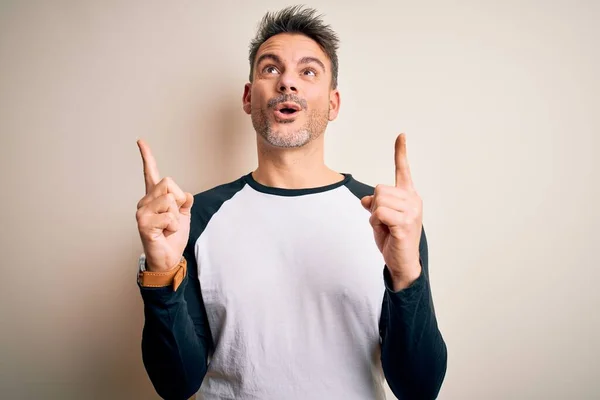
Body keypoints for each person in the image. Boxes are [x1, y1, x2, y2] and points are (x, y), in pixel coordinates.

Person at [135, 6, 447, 400]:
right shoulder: (194, 218)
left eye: (308, 71)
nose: (287, 82)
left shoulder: (388, 221)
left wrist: (406, 276)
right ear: (249, 98)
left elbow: (419, 388)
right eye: (270, 68)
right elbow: (176, 384)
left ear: (333, 104)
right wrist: (162, 273)